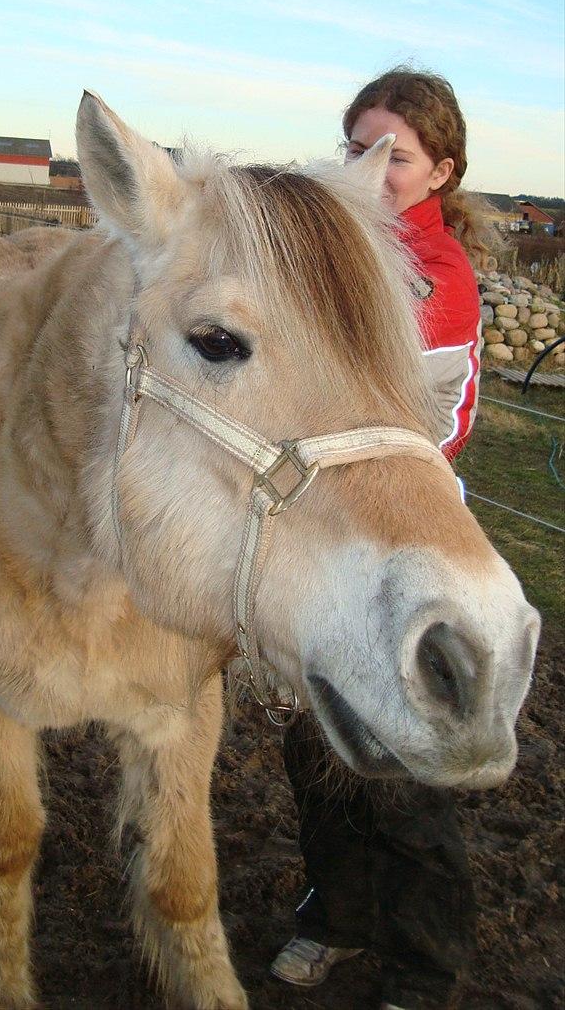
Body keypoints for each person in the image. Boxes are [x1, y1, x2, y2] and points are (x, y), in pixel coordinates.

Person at [272, 68, 487, 1010]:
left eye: (396, 153)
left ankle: (424, 966)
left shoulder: (436, 276)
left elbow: (390, 419)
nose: (374, 167)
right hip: (322, 538)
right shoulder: (335, 247)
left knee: (406, 768)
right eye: (358, 146)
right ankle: (337, 918)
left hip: (402, 540)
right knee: (318, 751)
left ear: (441, 170)